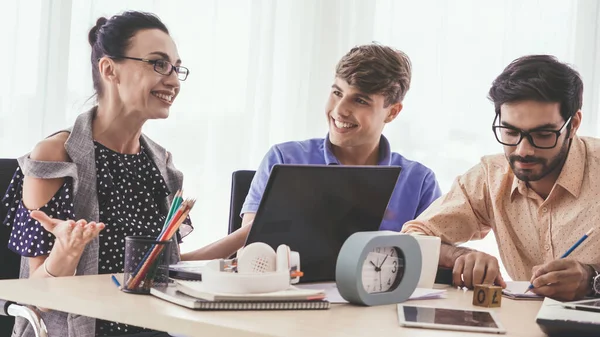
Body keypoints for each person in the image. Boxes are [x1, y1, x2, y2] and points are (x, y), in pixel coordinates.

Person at [1, 11, 199, 337]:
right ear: (109, 69)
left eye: (176, 68)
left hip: (155, 329)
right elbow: (35, 297)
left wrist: (244, 240)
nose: (173, 80)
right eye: (158, 64)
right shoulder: (56, 157)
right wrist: (65, 252)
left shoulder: (162, 164)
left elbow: (160, 268)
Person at [188, 44, 442, 260]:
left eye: (360, 100)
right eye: (337, 93)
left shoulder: (419, 182)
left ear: (392, 112)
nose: (339, 110)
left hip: (378, 311)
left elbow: (434, 260)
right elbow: (251, 252)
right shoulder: (284, 159)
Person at [401, 55, 600, 301]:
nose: (523, 150)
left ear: (574, 124)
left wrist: (593, 281)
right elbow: (413, 239)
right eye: (511, 131)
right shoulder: (490, 177)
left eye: (543, 134)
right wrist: (458, 256)